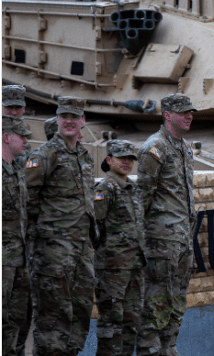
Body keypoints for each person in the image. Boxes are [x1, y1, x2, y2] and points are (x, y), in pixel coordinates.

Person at [24, 96, 97, 356]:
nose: (69, 121)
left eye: (74, 117)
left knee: (80, 313)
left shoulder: (84, 156)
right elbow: (27, 201)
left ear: (82, 121)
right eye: (64, 116)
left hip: (81, 250)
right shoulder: (44, 155)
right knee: (53, 318)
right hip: (53, 251)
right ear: (57, 120)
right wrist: (41, 241)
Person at [136, 93, 197, 356]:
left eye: (190, 111)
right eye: (183, 112)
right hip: (161, 240)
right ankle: (150, 349)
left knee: (177, 298)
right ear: (167, 115)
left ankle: (169, 348)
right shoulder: (154, 148)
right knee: (157, 299)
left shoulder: (184, 147)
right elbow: (142, 198)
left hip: (183, 238)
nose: (189, 116)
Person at [94, 140, 146, 356]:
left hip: (134, 268)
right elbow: (93, 227)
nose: (126, 162)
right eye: (121, 158)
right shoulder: (105, 189)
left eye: (130, 158)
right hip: (112, 271)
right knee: (111, 324)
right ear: (109, 160)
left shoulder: (133, 189)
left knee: (131, 323)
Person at [2, 85, 34, 356]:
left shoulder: (22, 150)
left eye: (18, 107)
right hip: (5, 257)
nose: (14, 111)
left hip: (21, 252)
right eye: (8, 106)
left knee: (19, 319)